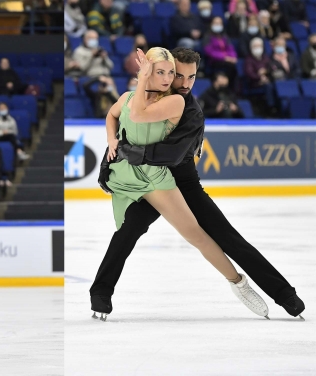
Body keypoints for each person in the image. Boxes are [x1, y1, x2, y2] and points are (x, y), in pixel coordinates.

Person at [95, 47, 268, 321]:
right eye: (160, 72)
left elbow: (138, 114)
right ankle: (100, 294)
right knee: (126, 234)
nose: (167, 79)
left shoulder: (175, 101)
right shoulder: (127, 97)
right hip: (128, 175)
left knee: (195, 234)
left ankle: (238, 282)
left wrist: (143, 78)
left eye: (170, 73)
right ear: (150, 69)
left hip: (157, 177)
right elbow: (113, 114)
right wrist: (111, 138)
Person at [204, 17, 239, 86]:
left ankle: (231, 88)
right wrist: (224, 58)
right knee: (230, 67)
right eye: (216, 23)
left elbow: (230, 48)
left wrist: (233, 57)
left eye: (219, 23)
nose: (218, 25)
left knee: (235, 66)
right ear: (211, 24)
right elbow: (209, 51)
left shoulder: (224, 36)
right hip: (214, 61)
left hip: (227, 60)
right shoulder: (208, 37)